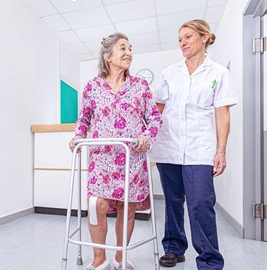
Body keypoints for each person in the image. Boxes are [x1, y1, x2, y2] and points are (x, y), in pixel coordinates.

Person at [69, 32, 162, 270]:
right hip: (102, 159)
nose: (129, 53)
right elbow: (84, 118)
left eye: (130, 48)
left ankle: (120, 257)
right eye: (122, 48)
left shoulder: (140, 85)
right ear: (108, 56)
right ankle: (99, 259)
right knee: (96, 205)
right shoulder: (92, 86)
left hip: (131, 157)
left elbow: (154, 118)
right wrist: (78, 137)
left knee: (127, 207)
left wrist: (146, 137)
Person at [151, 19, 238, 269]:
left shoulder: (218, 72)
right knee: (173, 201)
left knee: (200, 202)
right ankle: (175, 248)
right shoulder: (170, 73)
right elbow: (157, 108)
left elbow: (222, 113)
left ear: (204, 37)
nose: (183, 42)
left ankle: (209, 259)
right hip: (168, 147)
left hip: (201, 150)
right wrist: (149, 137)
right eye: (180, 39)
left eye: (188, 37)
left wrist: (221, 150)